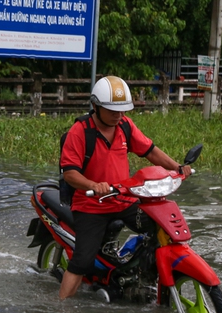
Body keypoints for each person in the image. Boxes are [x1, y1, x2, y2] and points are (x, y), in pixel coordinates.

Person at [58, 76, 193, 300]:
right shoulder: (80, 131)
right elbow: (70, 173)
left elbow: (150, 151)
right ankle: (59, 311)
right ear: (95, 106)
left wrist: (178, 167)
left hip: (124, 200)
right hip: (91, 205)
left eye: (122, 110)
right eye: (112, 111)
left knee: (162, 230)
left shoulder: (125, 126)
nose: (119, 115)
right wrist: (93, 185)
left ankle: (140, 277)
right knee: (81, 261)